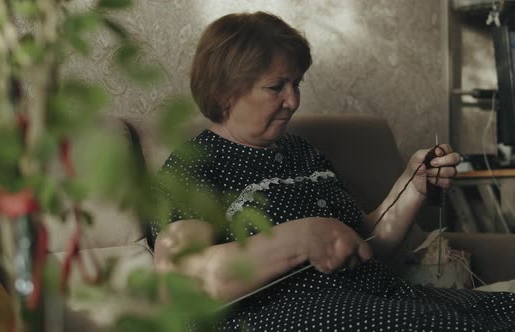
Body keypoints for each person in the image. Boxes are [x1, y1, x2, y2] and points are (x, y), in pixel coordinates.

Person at [147, 11, 515, 331]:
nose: (293, 101)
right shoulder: (195, 165)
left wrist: (413, 185)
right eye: (277, 87)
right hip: (280, 314)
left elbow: (369, 243)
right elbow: (178, 280)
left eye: (296, 84)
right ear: (226, 91)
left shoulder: (303, 152)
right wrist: (299, 239)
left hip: (375, 295)